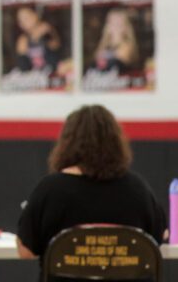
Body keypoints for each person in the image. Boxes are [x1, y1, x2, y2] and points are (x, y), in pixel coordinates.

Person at [17, 105, 167, 261]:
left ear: (67, 144)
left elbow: (26, 251)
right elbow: (159, 236)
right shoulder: (138, 188)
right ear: (116, 142)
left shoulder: (49, 189)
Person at [13, 6, 61, 74]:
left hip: (52, 73)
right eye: (20, 20)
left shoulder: (47, 30)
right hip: (34, 76)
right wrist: (22, 53)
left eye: (26, 18)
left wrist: (42, 37)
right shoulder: (23, 39)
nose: (23, 22)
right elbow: (23, 67)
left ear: (35, 15)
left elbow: (55, 48)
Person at [92, 8, 139, 75]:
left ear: (125, 27)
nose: (115, 27)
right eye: (112, 23)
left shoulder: (127, 47)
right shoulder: (103, 45)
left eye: (119, 23)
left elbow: (118, 63)